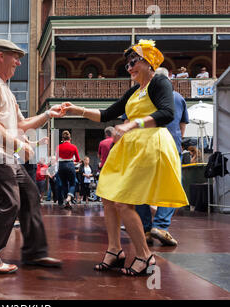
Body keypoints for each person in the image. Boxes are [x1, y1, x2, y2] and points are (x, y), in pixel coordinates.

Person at [62, 39, 188, 276]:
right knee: (108, 196)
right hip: (130, 147)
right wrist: (76, 109)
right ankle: (114, 250)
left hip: (150, 145)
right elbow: (107, 114)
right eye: (127, 64)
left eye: (134, 62)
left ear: (149, 62)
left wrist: (133, 124)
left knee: (123, 202)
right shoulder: (134, 91)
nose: (129, 67)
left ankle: (145, 255)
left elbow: (167, 114)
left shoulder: (159, 81)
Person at [0, 39, 63, 274]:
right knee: (9, 203)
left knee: (30, 195)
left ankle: (34, 253)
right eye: (15, 57)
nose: (19, 63)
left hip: (3, 155)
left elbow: (21, 124)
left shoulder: (5, 90)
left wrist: (48, 114)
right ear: (0, 56)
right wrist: (20, 148)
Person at [135, 66, 189, 246]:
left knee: (141, 187)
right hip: (171, 147)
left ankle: (145, 227)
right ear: (169, 79)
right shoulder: (178, 98)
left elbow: (130, 122)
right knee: (171, 186)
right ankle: (161, 226)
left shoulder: (141, 96)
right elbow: (182, 127)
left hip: (146, 147)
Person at [56, 130, 80, 209]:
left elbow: (56, 159)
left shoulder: (58, 147)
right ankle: (69, 197)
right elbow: (77, 159)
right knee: (73, 183)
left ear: (62, 139)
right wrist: (74, 162)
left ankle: (67, 202)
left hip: (61, 165)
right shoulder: (73, 147)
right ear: (70, 138)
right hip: (70, 164)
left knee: (64, 184)